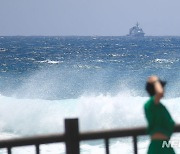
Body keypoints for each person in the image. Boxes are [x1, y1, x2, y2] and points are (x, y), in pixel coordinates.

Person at [144, 75, 175, 154]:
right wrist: (155, 81)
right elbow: (159, 93)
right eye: (162, 87)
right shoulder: (150, 104)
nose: (164, 90)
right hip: (157, 146)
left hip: (166, 145)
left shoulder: (160, 106)